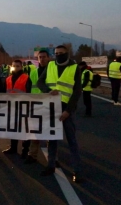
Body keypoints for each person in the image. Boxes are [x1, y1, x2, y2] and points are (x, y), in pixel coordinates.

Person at [37, 45, 82, 183]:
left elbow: (77, 91)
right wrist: (48, 91)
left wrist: (68, 111)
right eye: (56, 53)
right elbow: (40, 82)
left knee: (71, 141)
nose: (58, 55)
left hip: (67, 109)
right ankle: (51, 165)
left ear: (67, 53)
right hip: (52, 107)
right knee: (52, 139)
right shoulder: (50, 65)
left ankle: (77, 171)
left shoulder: (74, 68)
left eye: (61, 53)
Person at [2, 60, 32, 157]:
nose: (15, 67)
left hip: (23, 108)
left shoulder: (26, 78)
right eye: (14, 66)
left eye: (18, 66)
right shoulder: (8, 79)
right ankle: (13, 147)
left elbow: (29, 93)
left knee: (24, 130)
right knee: (13, 128)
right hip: (11, 108)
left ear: (21, 67)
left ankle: (25, 150)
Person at [25, 50, 50, 164]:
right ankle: (32, 154)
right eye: (40, 57)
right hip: (35, 104)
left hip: (49, 104)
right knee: (35, 130)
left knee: (50, 131)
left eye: (44, 57)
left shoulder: (52, 71)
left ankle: (53, 157)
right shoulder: (33, 72)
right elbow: (29, 88)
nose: (42, 59)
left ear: (48, 58)